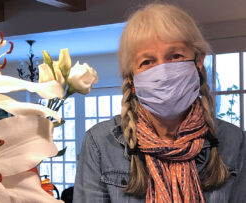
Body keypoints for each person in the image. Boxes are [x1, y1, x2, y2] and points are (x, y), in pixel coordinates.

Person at [73, 3, 246, 203]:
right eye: (147, 62)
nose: (163, 72)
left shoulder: (235, 142)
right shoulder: (100, 143)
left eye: (176, 56)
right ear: (130, 77)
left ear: (198, 61)